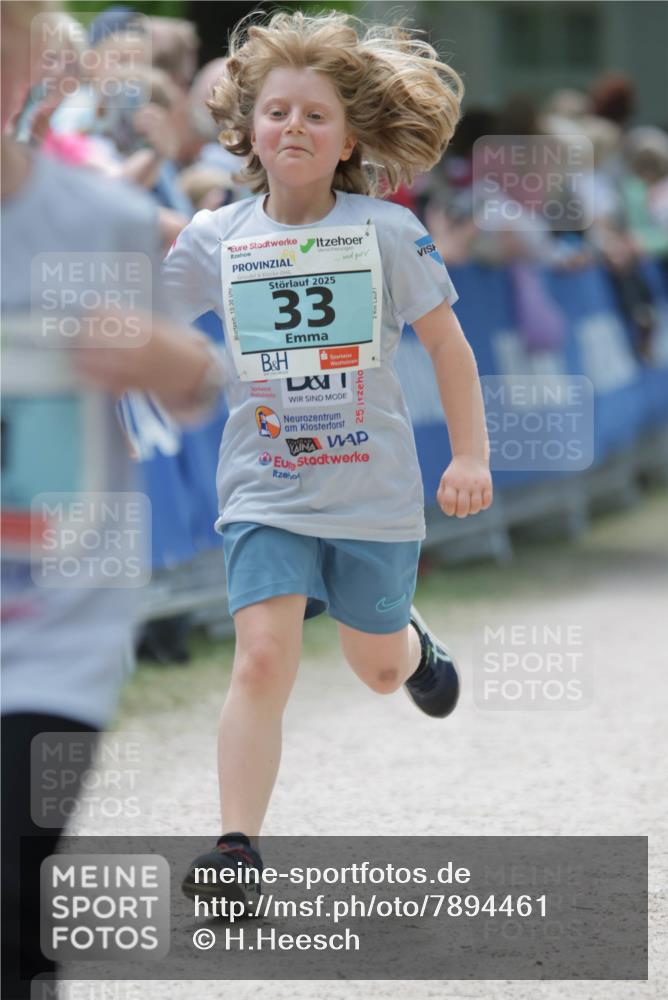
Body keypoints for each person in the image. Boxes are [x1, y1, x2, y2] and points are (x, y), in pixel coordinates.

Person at [162, 10, 493, 899]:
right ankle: (236, 852)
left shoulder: (385, 232)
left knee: (376, 670)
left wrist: (469, 457)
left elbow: (449, 347)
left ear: (348, 139)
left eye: (315, 115)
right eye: (277, 112)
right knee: (261, 659)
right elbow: (143, 323)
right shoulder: (215, 238)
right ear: (248, 129)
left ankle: (413, 647)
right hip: (264, 485)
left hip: (370, 491)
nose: (294, 128)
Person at [1, 3, 227, 995]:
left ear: (29, 67)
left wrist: (167, 359)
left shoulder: (101, 221)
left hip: (44, 631)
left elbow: (204, 375)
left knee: (11, 897)